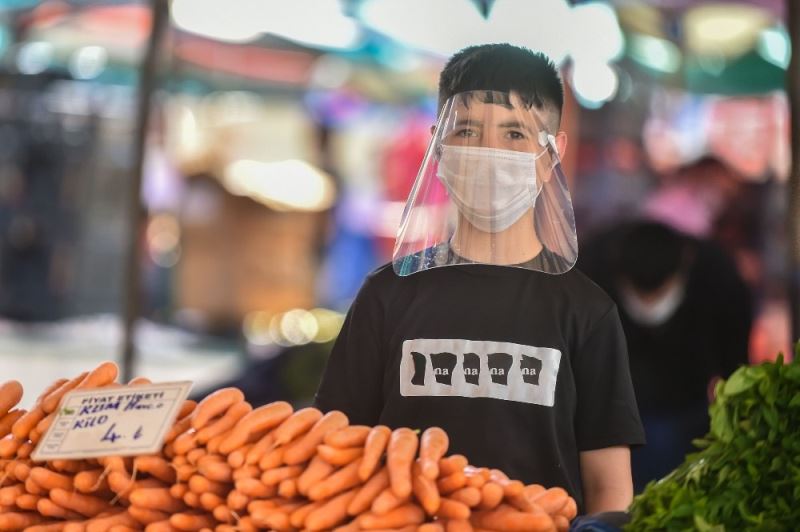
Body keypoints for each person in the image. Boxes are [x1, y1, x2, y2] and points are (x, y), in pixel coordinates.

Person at [315, 43, 645, 515]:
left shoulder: (587, 313)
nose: (489, 152)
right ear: (439, 146)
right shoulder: (386, 296)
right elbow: (335, 448)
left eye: (514, 134)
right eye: (467, 130)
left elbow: (609, 488)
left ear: (552, 153)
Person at [578, 220, 752, 492]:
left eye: (658, 294)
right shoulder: (591, 269)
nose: (649, 306)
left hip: (687, 404)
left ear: (685, 265)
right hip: (612, 406)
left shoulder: (718, 276)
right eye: (639, 296)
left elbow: (736, 363)